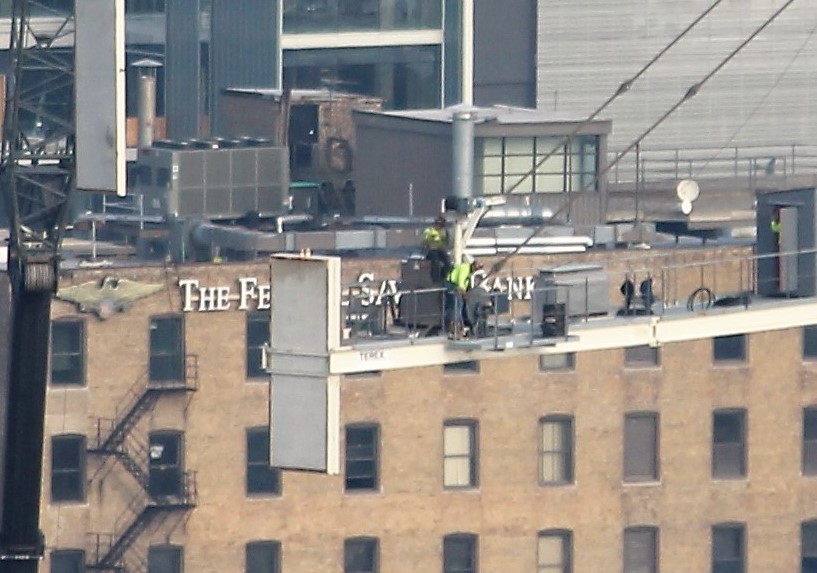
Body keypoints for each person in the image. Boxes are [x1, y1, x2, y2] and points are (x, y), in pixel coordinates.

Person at [445, 259, 482, 336]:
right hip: (451, 285)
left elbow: (465, 285)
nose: (478, 269)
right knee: (458, 306)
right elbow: (460, 284)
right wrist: (465, 294)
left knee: (461, 306)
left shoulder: (470, 272)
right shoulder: (465, 269)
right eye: (478, 267)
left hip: (456, 286)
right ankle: (456, 327)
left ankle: (461, 325)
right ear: (474, 265)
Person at [422, 216, 451, 283]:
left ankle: (444, 277)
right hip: (431, 250)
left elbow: (446, 242)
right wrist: (431, 241)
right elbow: (425, 241)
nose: (439, 227)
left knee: (447, 261)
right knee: (435, 261)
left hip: (440, 250)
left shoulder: (443, 231)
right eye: (438, 224)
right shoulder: (429, 231)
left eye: (441, 225)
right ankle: (435, 279)